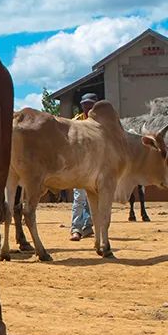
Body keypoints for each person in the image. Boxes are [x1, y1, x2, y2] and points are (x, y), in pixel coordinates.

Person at [70, 93, 97, 242]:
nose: (88, 107)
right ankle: (75, 229)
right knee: (79, 198)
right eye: (85, 104)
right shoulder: (75, 122)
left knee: (93, 198)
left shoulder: (101, 122)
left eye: (90, 104)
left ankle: (88, 227)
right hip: (79, 165)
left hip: (95, 166)